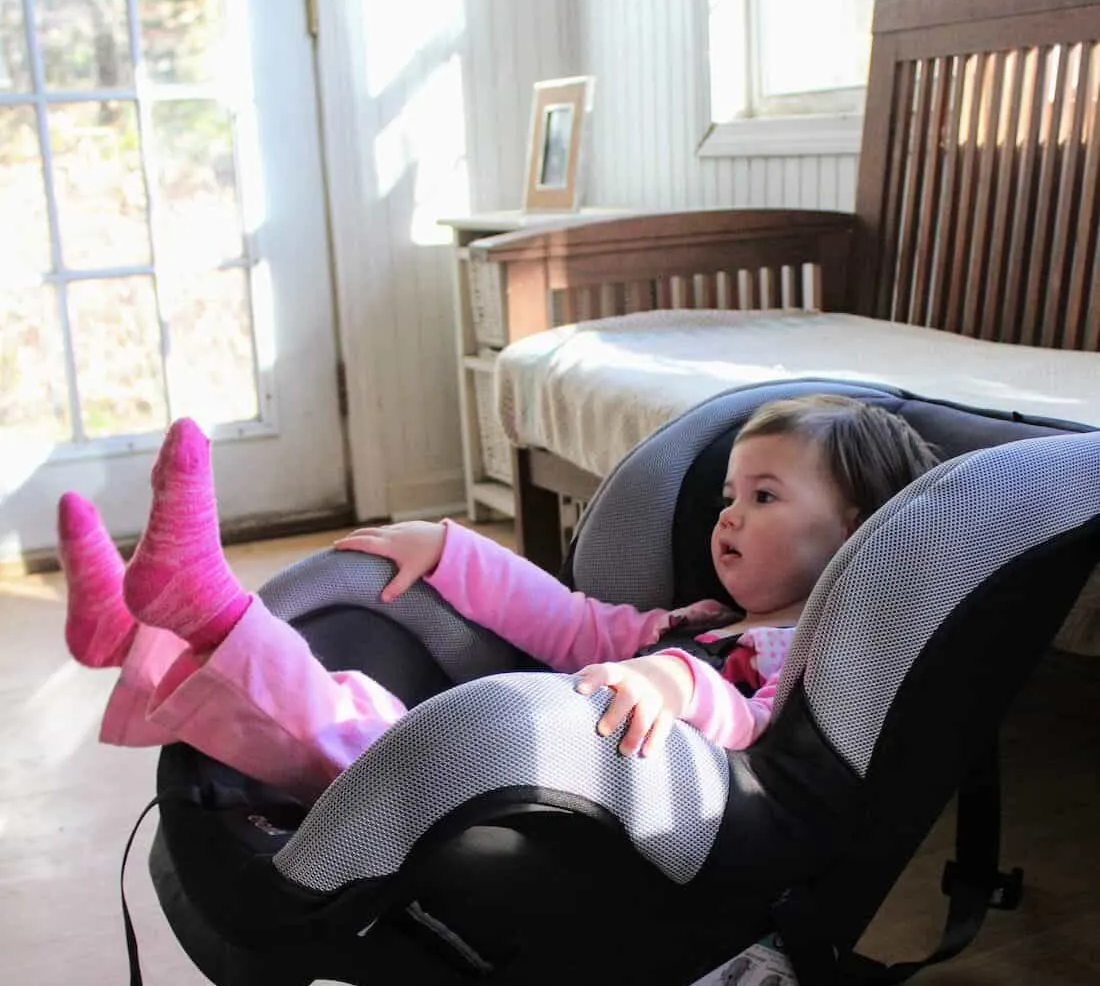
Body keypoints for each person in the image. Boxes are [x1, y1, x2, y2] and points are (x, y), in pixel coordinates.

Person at [57, 398, 938, 803]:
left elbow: (759, 744)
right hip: (519, 760)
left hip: (596, 815)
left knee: (374, 736)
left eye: (766, 498)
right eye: (729, 499)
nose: (730, 517)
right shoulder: (702, 622)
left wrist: (675, 686)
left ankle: (200, 612)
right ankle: (143, 634)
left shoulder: (813, 670)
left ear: (857, 530)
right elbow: (570, 622)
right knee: (364, 717)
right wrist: (451, 548)